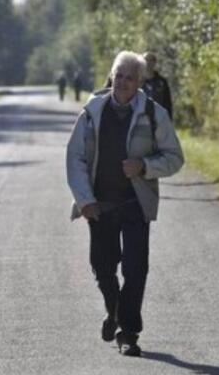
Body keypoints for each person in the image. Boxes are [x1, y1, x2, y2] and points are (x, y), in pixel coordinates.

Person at [66, 51, 184, 357]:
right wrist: (85, 200)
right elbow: (75, 158)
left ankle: (128, 333)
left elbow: (174, 157)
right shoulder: (92, 112)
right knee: (103, 267)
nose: (122, 82)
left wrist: (144, 166)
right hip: (100, 204)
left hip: (135, 203)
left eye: (130, 78)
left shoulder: (153, 113)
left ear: (139, 82)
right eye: (118, 75)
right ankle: (115, 310)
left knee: (136, 268)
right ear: (111, 76)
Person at [142, 52, 173, 119]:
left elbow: (167, 102)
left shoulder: (162, 82)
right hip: (142, 118)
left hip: (160, 118)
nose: (148, 62)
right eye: (146, 60)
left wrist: (169, 119)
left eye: (151, 60)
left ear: (155, 62)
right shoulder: (137, 81)